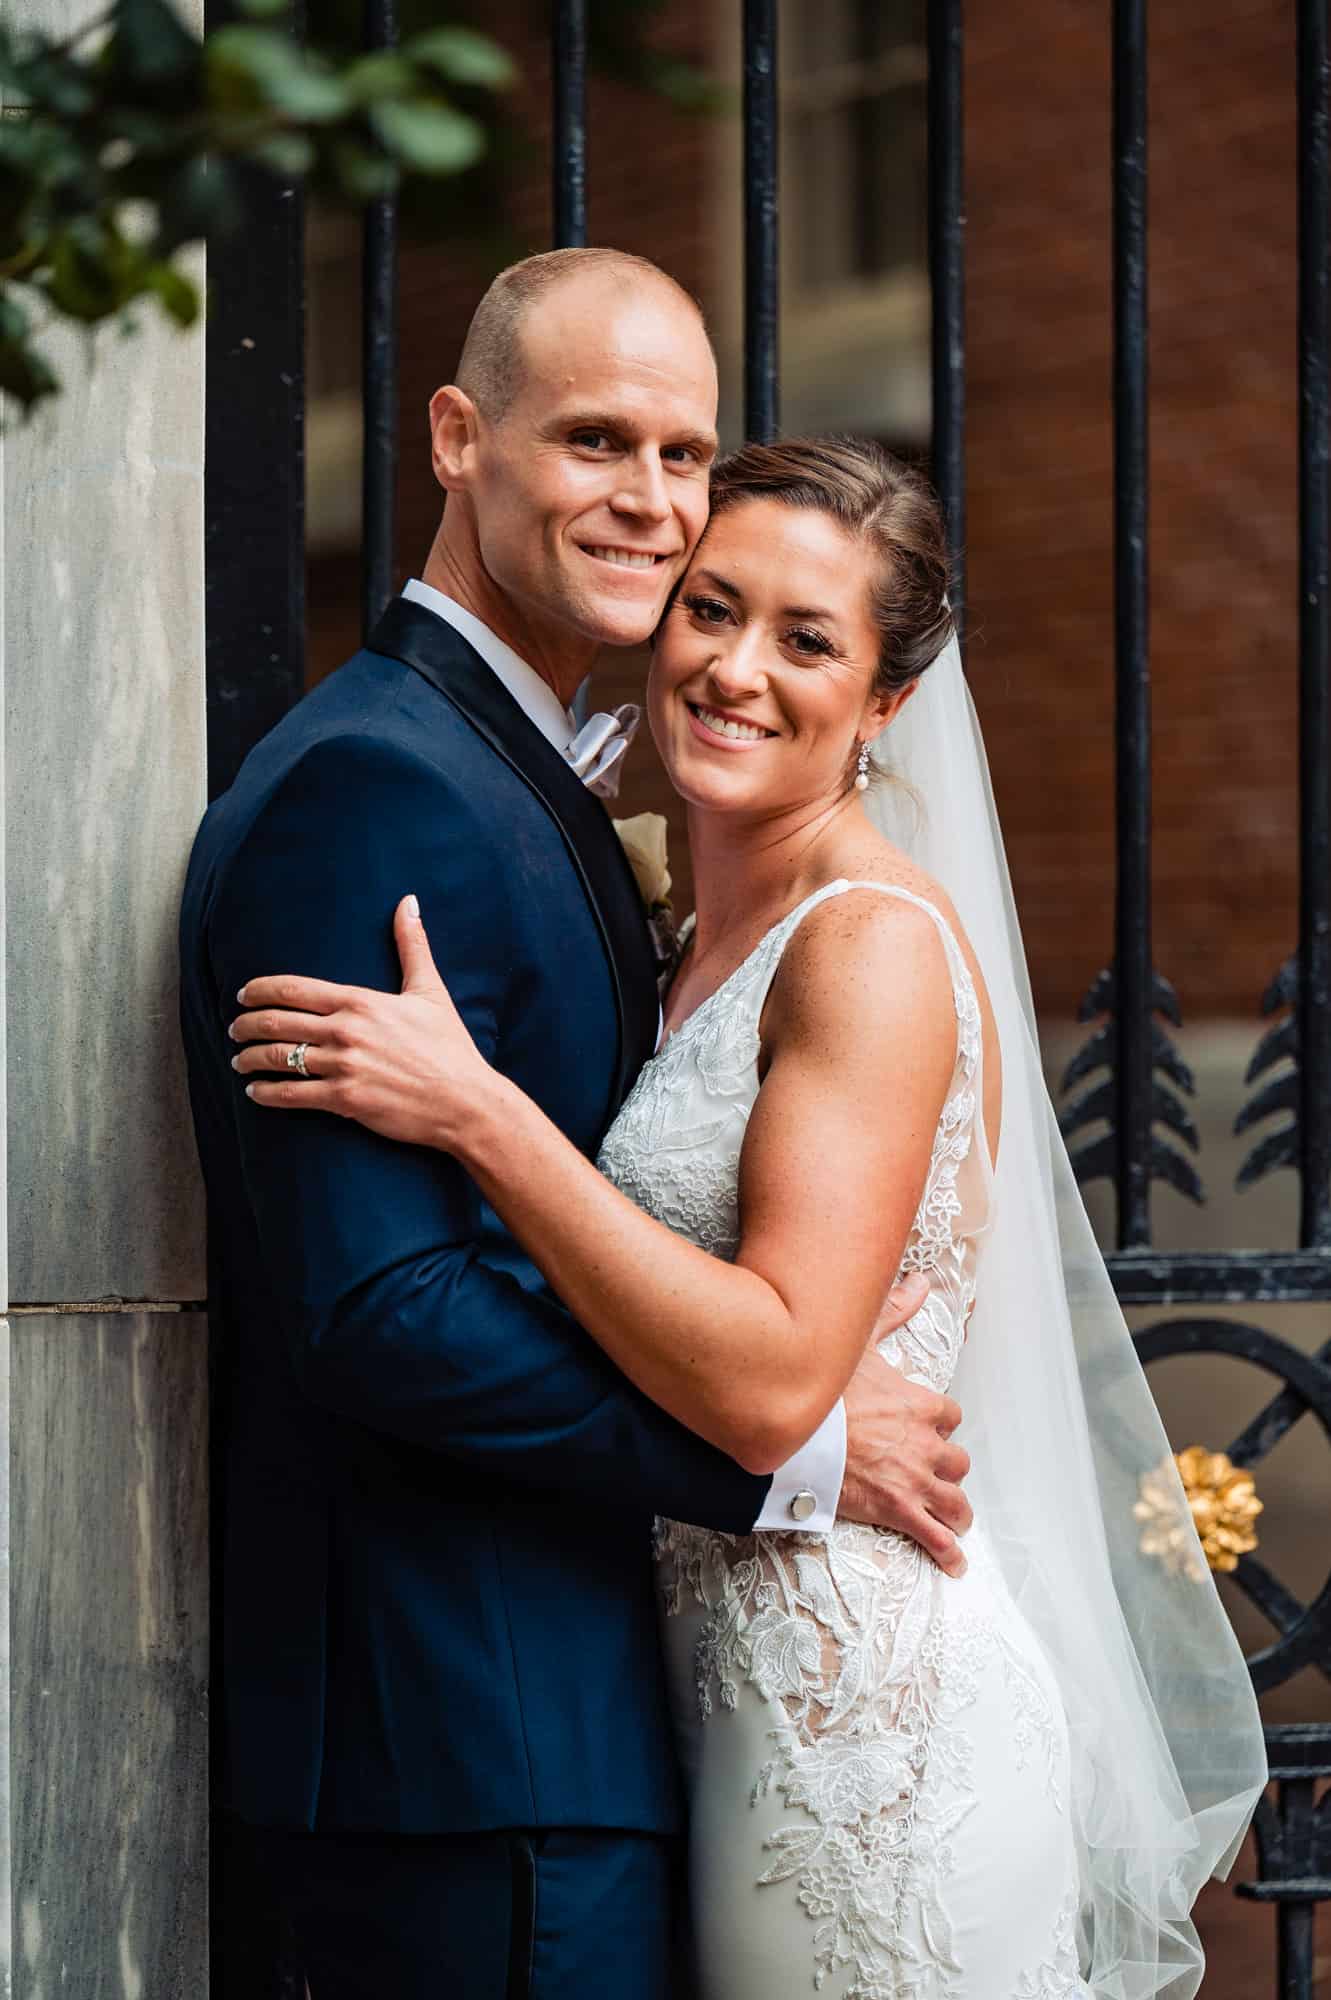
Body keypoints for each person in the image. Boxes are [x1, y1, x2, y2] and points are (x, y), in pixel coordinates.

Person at [231, 435, 1267, 1998]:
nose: (735, 670)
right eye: (712, 611)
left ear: (886, 703)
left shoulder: (866, 950)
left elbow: (781, 1380)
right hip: (715, 1692)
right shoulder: (692, 937)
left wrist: (477, 1110)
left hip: (865, 1723)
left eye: (807, 641)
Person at [178, 250, 973, 2000]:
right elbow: (381, 1308)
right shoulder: (383, 782)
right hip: (467, 1739)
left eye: (684, 455)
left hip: (593, 1734)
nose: (650, 501)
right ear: (457, 437)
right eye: (596, 439)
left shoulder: (538, 780)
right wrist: (794, 1458)